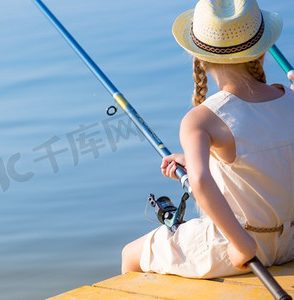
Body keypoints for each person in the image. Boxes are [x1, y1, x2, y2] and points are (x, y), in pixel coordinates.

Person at [121, 0, 294, 278]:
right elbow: (263, 154)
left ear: (199, 58)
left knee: (130, 255)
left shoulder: (200, 119)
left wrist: (242, 244)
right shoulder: (289, 97)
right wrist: (190, 159)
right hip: (289, 243)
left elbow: (200, 181)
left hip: (242, 248)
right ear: (261, 54)